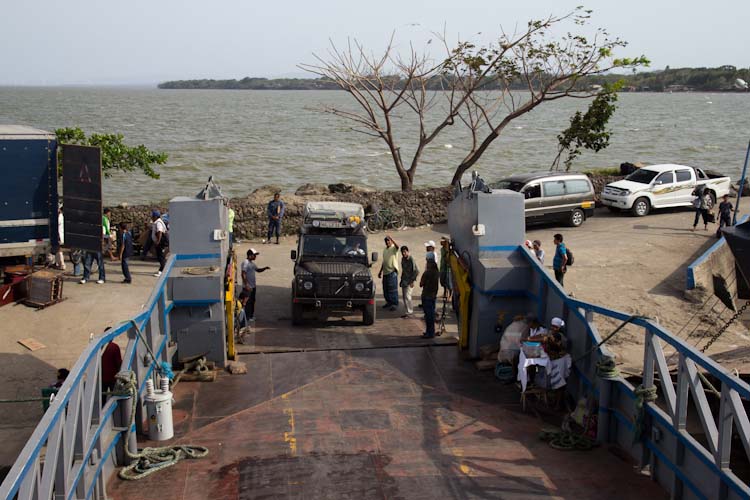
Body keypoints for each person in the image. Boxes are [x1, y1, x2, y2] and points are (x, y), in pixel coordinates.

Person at [241, 248, 270, 321]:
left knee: (252, 301)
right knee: (248, 302)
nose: (255, 257)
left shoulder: (252, 264)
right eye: (254, 255)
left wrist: (265, 268)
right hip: (248, 287)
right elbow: (243, 274)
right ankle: (247, 317)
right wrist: (246, 285)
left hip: (253, 286)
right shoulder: (245, 263)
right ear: (250, 255)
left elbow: (258, 270)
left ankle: (251, 316)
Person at [378, 235, 400, 311]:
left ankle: (394, 304)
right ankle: (389, 302)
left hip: (392, 272)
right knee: (386, 289)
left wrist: (392, 238)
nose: (387, 242)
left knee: (392, 289)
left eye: (389, 240)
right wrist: (380, 271)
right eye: (386, 241)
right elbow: (384, 262)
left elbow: (398, 247)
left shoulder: (394, 248)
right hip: (385, 272)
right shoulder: (385, 250)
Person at [419, 257, 440, 338]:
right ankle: (431, 332)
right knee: (431, 316)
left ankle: (429, 333)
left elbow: (421, 284)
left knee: (428, 316)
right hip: (433, 296)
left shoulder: (427, 273)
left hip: (426, 296)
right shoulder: (436, 273)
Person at [399, 246, 419, 318]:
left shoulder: (411, 259)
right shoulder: (403, 259)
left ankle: (410, 312)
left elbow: (416, 271)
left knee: (408, 296)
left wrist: (412, 281)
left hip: (409, 281)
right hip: (404, 280)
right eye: (402, 252)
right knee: (404, 297)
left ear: (407, 251)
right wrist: (401, 280)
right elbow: (403, 271)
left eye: (405, 252)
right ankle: (407, 311)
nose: (403, 253)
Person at [151, 210, 168, 277]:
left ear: (155, 216)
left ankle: (162, 271)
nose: (151, 217)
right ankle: (161, 270)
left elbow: (160, 232)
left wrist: (158, 241)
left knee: (161, 257)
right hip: (159, 242)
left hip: (160, 243)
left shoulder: (158, 223)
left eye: (152, 216)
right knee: (161, 257)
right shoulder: (157, 222)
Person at [55, 205, 66, 271]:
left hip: (59, 235)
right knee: (57, 250)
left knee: (59, 250)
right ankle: (59, 264)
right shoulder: (60, 216)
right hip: (59, 235)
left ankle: (62, 265)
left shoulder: (60, 216)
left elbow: (58, 224)